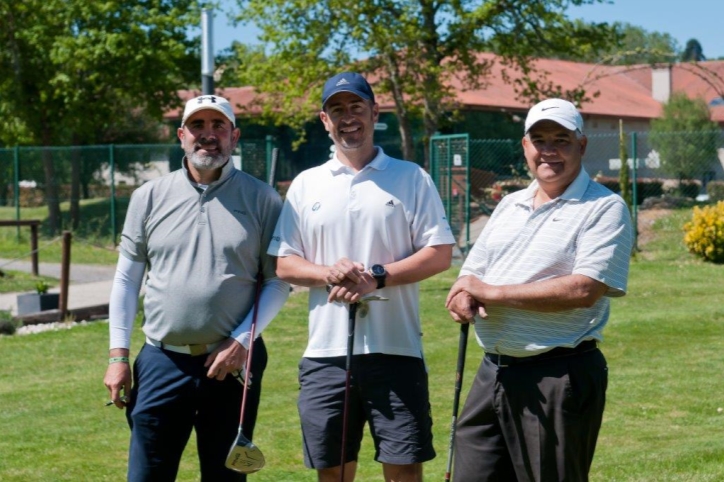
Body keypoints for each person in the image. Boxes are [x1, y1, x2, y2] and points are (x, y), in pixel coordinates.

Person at [267, 72, 455, 482]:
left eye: (356, 107)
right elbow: (284, 263)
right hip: (325, 355)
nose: (347, 118)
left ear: (375, 112)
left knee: (404, 471)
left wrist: (378, 277)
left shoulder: (411, 177)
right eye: (337, 110)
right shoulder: (305, 184)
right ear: (324, 119)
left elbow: (440, 254)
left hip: (397, 348)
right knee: (332, 473)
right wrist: (326, 272)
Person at [103, 94, 290, 482]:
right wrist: (118, 355)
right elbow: (126, 279)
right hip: (160, 360)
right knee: (146, 475)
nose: (208, 135)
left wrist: (242, 342)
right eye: (198, 126)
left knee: (225, 477)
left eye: (218, 126)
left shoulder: (263, 198)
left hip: (232, 363)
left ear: (234, 136)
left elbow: (276, 282)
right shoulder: (149, 197)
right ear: (181, 135)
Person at [445, 98, 634, 481]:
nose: (549, 150)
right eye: (539, 140)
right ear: (525, 146)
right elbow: (470, 275)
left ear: (581, 145)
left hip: (556, 376)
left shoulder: (604, 208)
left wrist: (492, 293)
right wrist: (463, 295)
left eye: (561, 140)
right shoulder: (509, 204)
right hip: (493, 372)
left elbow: (584, 289)